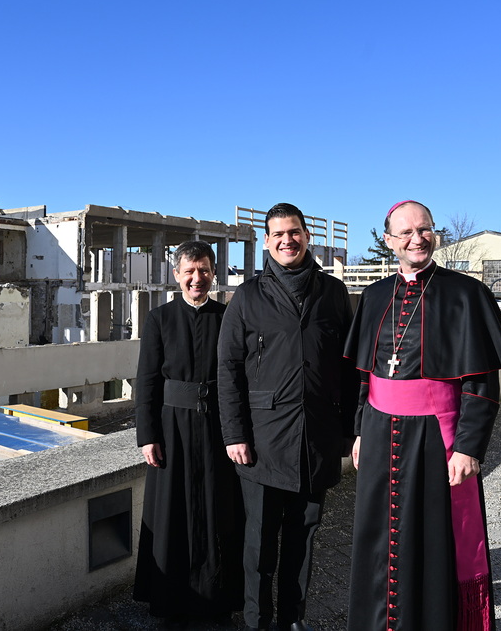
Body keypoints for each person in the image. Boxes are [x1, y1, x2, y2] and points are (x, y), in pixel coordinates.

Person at [344, 200, 501, 631]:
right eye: (405, 232)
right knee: (379, 538)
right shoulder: (374, 295)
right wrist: (360, 431)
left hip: (438, 437)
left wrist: (468, 447)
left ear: (435, 234)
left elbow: (481, 383)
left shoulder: (466, 294)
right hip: (379, 432)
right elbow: (365, 376)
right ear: (389, 241)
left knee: (436, 539)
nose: (417, 239)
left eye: (424, 229)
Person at [218, 203, 357, 631]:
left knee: (304, 538)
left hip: (317, 438)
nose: (287, 240)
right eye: (278, 234)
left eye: (294, 232)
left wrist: (350, 432)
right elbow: (228, 368)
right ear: (266, 241)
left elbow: (350, 368)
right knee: (259, 543)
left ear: (306, 236)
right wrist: (234, 434)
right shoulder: (248, 296)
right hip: (263, 441)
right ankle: (258, 620)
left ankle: (292, 619)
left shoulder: (333, 293)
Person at [133, 239, 244, 624]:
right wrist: (147, 435)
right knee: (171, 515)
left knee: (219, 512)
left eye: (204, 270)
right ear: (177, 274)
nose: (198, 278)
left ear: (214, 273)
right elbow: (146, 380)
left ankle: (217, 600)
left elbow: (238, 376)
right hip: (171, 431)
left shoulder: (228, 316)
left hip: (217, 428)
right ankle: (169, 602)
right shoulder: (159, 318)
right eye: (190, 271)